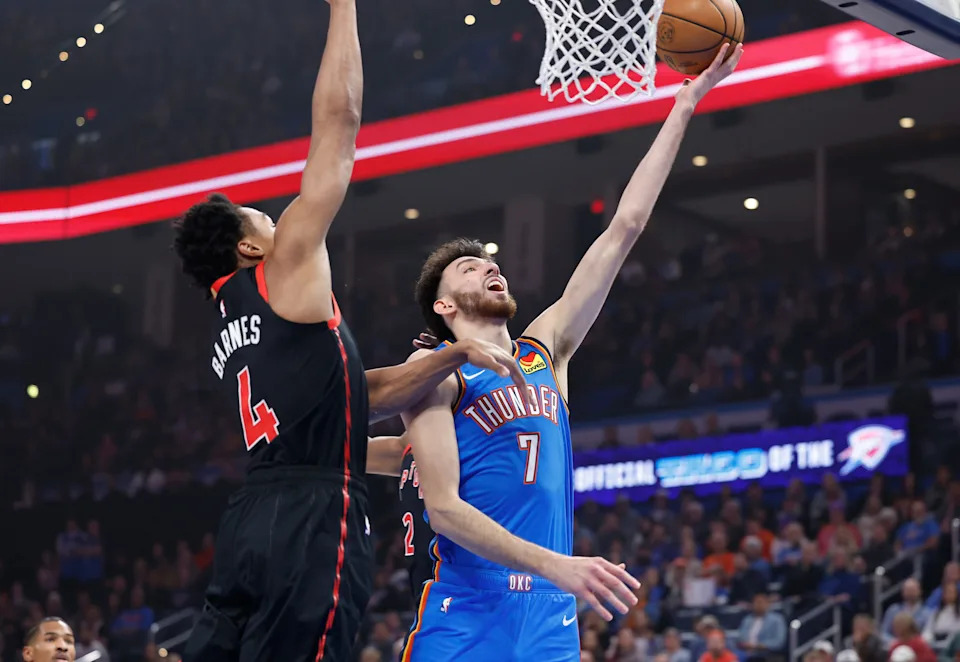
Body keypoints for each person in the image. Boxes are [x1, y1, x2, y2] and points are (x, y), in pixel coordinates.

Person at [172, 0, 529, 658]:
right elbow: (339, 127)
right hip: (311, 516)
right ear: (251, 251)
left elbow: (355, 397)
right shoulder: (279, 269)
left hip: (251, 517)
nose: (282, 228)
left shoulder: (227, 330)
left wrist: (451, 357)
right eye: (266, 223)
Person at [398, 44, 743, 661]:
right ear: (444, 308)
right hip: (471, 614)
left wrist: (685, 104)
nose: (489, 268)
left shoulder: (545, 350)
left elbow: (625, 227)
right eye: (470, 269)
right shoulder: (437, 377)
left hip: (552, 617)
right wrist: (559, 565)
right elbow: (444, 510)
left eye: (491, 262)